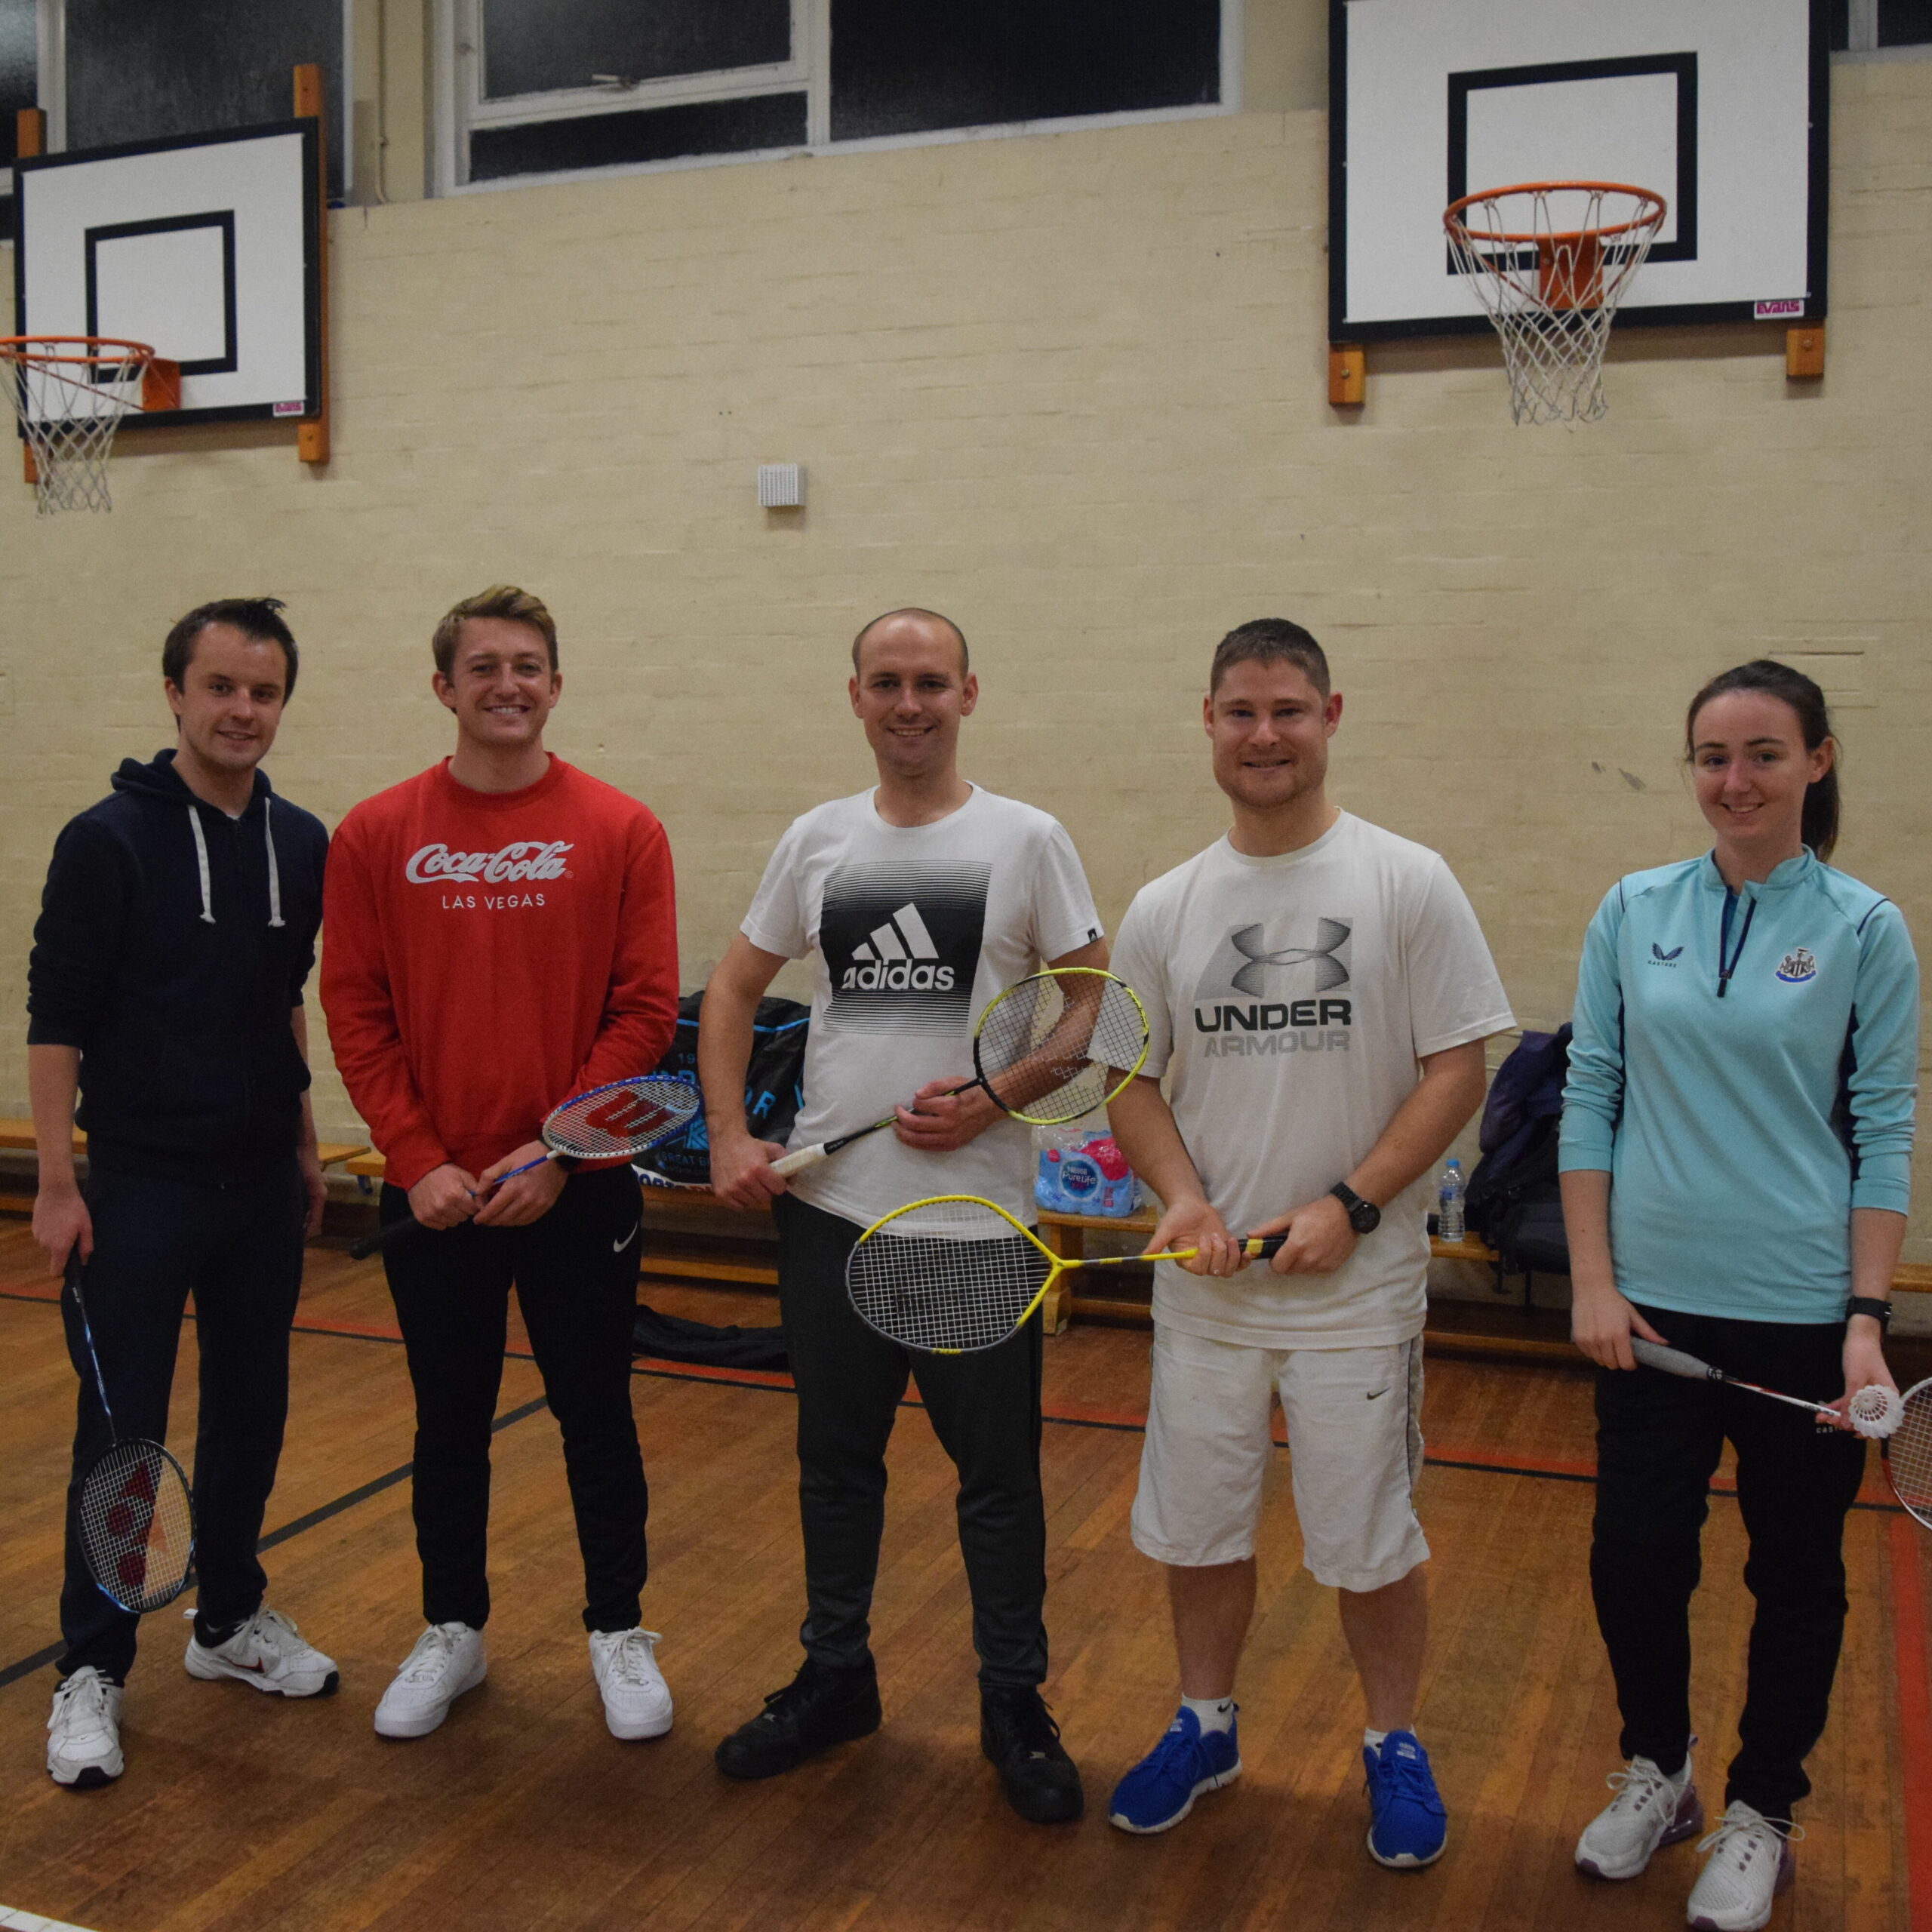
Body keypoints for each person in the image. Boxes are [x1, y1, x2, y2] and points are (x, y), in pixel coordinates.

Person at [1102, 619, 1513, 1865]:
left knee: (1368, 1538)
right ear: (1209, 723)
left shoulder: (1406, 880)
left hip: (1357, 1294)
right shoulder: (1167, 904)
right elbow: (1130, 1080)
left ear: (1331, 715)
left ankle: (1393, 1740)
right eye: (1241, 712)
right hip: (1212, 1289)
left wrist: (1354, 1202)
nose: (1264, 734)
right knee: (1199, 1524)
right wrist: (1180, 1198)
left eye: (1287, 710)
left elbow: (1458, 1066)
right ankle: (1206, 1722)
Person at [699, 608, 1106, 1823]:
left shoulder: (1027, 837)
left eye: (931, 682)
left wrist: (998, 1094)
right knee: (836, 1468)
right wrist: (730, 1134)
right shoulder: (816, 838)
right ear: (857, 697)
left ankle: (1014, 1701)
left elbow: (1091, 1003)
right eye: (888, 682)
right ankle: (836, 1679)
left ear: (968, 694)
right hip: (830, 1213)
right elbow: (730, 986)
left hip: (975, 1228)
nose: (910, 702)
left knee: (997, 1483)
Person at [1561, 660, 1915, 1932]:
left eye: (1764, 753)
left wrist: (1865, 1322)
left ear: (1816, 762)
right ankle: (1662, 1774)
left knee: (1797, 1576)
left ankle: (1764, 1809)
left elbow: (1884, 1126)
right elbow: (1588, 1091)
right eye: (1713, 755)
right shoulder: (1631, 907)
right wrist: (1594, 1280)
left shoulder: (1867, 927)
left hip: (1807, 1314)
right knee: (1635, 1561)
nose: (1735, 779)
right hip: (1646, 1313)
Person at [320, 585, 679, 1743]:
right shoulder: (376, 834)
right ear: (446, 689)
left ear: (556, 685)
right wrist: (417, 1159)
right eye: (483, 668)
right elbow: (356, 1007)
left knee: (595, 1414)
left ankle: (618, 1628)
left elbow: (642, 1014)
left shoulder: (624, 829)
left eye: (527, 665)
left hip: (577, 1187)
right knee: (448, 1422)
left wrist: (560, 1149)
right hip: (437, 1198)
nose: (507, 685)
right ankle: (451, 1631)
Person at [28, 598, 337, 1789]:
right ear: (175, 695)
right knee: (125, 1438)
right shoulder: (104, 839)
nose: (241, 711)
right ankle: (93, 1666)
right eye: (219, 688)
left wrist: (309, 1141)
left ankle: (229, 1623)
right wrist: (58, 1182)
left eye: (262, 693)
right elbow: (57, 1018)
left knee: (253, 1412)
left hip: (260, 1184)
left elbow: (284, 998)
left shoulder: (303, 841)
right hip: (139, 1185)